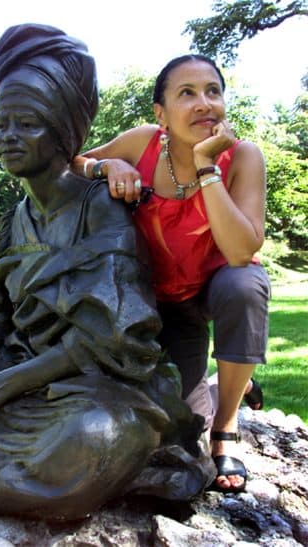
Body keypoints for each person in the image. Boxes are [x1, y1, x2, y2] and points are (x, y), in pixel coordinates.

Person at [0, 26, 215, 521]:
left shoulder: (102, 207)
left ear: (61, 132)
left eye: (25, 124)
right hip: (12, 361)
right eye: (0, 124)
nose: (7, 138)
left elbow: (109, 338)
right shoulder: (13, 219)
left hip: (87, 381)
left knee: (97, 436)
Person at [71, 54, 271, 493]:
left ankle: (227, 426)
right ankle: (228, 385)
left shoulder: (243, 158)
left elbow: (240, 251)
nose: (204, 103)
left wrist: (206, 167)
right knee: (174, 410)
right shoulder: (141, 142)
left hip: (211, 291)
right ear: (160, 114)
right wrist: (107, 166)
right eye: (187, 93)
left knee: (246, 284)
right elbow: (72, 163)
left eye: (213, 91)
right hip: (152, 305)